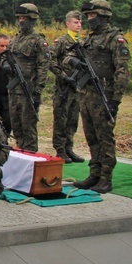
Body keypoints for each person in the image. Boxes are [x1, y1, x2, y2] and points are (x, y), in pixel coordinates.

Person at [69, 0, 131, 194]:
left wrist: (115, 100)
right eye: (88, 16)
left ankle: (106, 177)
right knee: (91, 136)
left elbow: (123, 71)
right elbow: (68, 55)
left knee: (105, 137)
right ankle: (94, 173)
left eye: (92, 16)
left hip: (104, 95)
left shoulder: (115, 39)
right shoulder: (89, 39)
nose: (89, 19)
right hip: (87, 95)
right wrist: (75, 62)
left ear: (103, 16)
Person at [2, 3, 50, 151]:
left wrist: (37, 91)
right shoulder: (15, 40)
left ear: (32, 19)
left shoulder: (38, 41)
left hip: (28, 90)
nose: (21, 21)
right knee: (16, 126)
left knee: (28, 127)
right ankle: (21, 154)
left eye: (25, 18)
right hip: (14, 90)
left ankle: (30, 157)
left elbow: (43, 67)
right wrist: (5, 65)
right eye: (20, 18)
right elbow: (5, 57)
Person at [49, 11, 85, 163]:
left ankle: (69, 148)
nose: (79, 25)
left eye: (80, 22)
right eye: (76, 22)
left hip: (77, 88)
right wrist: (64, 76)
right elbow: (50, 61)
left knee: (72, 119)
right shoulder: (61, 42)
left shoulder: (81, 42)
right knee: (61, 119)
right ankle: (60, 149)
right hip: (63, 88)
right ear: (68, 24)